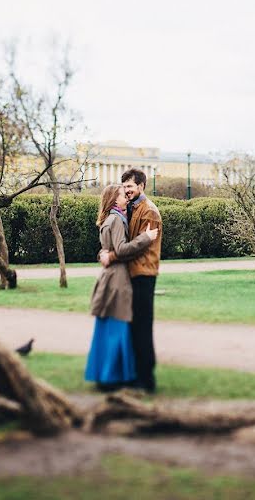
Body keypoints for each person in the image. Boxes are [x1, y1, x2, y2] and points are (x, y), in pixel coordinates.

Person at [84, 184, 158, 391]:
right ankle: (110, 379)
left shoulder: (110, 218)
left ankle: (104, 376)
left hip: (111, 278)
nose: (125, 196)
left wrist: (104, 254)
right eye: (121, 194)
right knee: (116, 330)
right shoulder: (116, 219)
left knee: (107, 329)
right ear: (114, 200)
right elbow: (122, 249)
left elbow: (108, 249)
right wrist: (146, 238)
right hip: (117, 280)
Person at [100, 168, 163, 393]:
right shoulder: (132, 208)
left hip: (143, 274)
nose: (127, 191)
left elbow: (135, 248)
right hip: (133, 274)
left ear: (141, 186)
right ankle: (137, 374)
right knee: (134, 327)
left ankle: (146, 379)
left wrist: (111, 256)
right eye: (124, 186)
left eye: (130, 186)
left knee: (142, 327)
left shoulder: (149, 212)